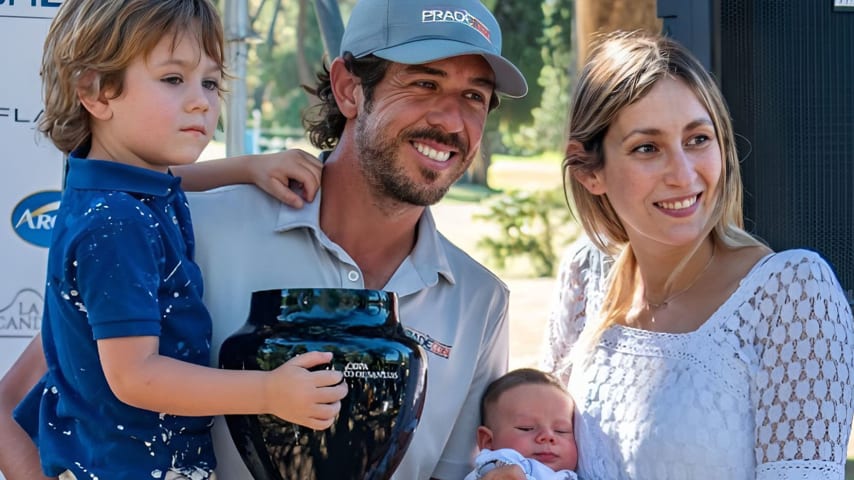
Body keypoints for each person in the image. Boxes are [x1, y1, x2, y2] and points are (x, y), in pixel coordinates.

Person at [0, 0, 528, 479]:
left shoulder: (482, 302)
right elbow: (25, 396)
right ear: (348, 88)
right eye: (424, 84)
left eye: (475, 96)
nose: (450, 118)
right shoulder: (176, 230)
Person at [4, 1, 347, 479]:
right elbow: (136, 375)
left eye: (210, 82)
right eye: (173, 79)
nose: (202, 101)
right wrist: (268, 392)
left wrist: (246, 166)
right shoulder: (117, 222)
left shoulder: (113, 190)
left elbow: (171, 180)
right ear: (96, 91)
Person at [534, 31, 854, 479]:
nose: (683, 175)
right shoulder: (586, 274)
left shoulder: (793, 293)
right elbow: (535, 455)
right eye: (647, 148)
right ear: (590, 172)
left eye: (698, 139)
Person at [465, 368, 578, 480]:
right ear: (488, 441)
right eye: (527, 428)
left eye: (561, 430)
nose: (548, 436)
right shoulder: (501, 467)